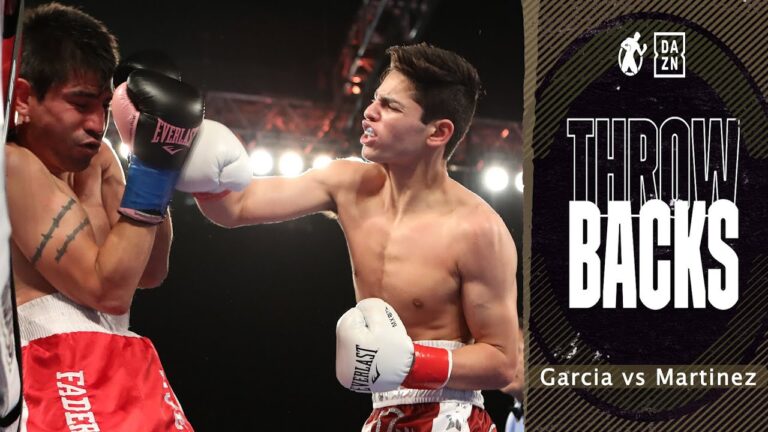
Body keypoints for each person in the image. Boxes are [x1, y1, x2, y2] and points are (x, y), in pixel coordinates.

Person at [179, 42, 519, 430]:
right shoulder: (347, 184)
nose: (369, 113)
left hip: (452, 416)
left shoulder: (478, 230)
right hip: (382, 414)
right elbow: (237, 207)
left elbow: (502, 361)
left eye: (391, 106)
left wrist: (412, 362)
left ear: (438, 132)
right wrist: (198, 172)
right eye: (376, 100)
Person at [5, 3, 202, 430]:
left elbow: (149, 270)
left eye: (103, 107)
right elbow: (107, 290)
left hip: (126, 360)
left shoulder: (102, 158)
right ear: (23, 97)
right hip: (54, 369)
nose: (96, 124)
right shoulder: (12, 164)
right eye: (79, 104)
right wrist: (153, 170)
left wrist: (157, 155)